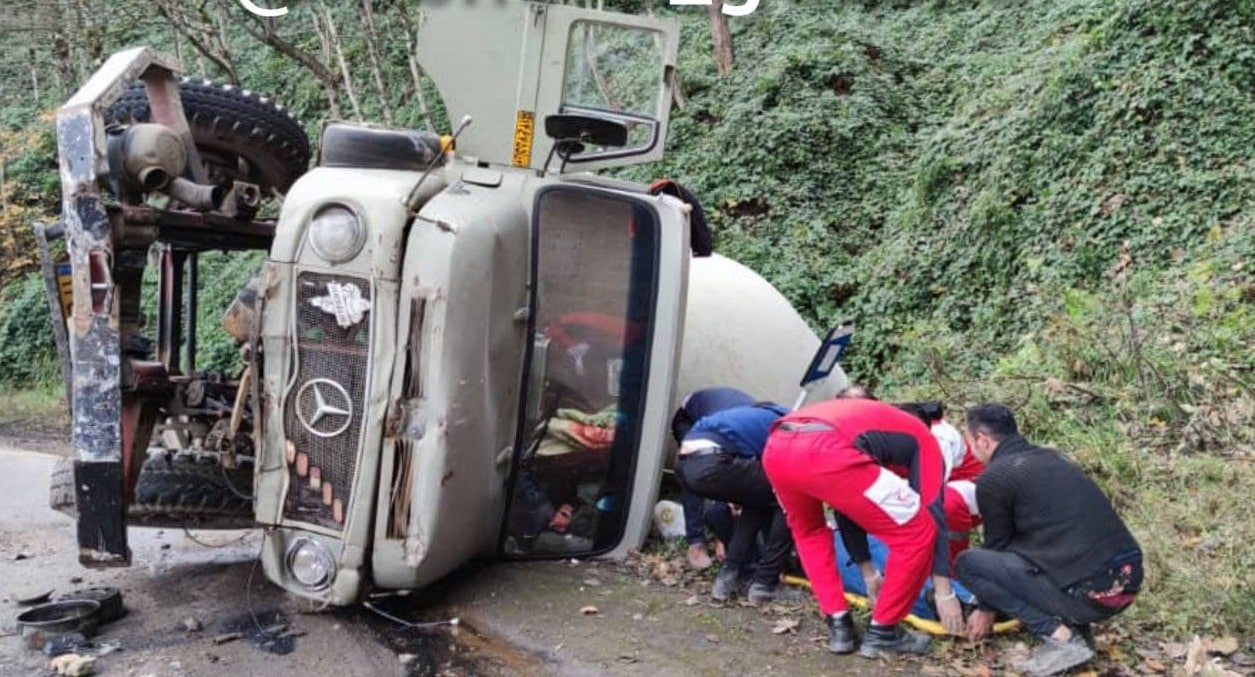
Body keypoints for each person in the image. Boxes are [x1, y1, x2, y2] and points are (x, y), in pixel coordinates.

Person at [956, 404, 1143, 677]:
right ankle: (1078, 633)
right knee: (1046, 555)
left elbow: (997, 547)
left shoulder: (995, 478)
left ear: (983, 440)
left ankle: (1060, 637)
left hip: (1092, 592)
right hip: (1128, 583)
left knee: (968, 564)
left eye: (969, 442)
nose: (970, 449)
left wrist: (986, 608)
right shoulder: (1054, 458)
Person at [762, 397, 947, 659]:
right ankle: (884, 632)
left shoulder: (873, 424)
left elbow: (847, 509)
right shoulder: (925, 441)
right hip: (828, 447)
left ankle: (839, 625)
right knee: (918, 531)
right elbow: (932, 515)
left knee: (808, 532)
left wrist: (870, 574)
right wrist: (944, 591)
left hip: (777, 446)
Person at [672, 388, 793, 604]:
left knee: (758, 500)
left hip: (684, 465)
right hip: (710, 459)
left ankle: (727, 580)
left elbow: (754, 484)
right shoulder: (788, 424)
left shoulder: (750, 420)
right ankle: (765, 583)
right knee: (790, 495)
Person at [671, 387, 757, 570]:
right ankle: (695, 543)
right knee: (692, 473)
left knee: (728, 479)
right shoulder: (729, 434)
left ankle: (722, 533)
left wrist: (722, 537)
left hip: (726, 420)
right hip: (689, 419)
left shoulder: (756, 444)